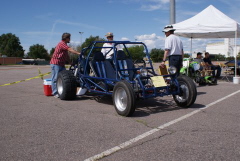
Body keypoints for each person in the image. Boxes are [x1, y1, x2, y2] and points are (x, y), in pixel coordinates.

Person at [50, 33, 80, 98]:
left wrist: (70, 62)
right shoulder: (62, 43)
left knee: (65, 78)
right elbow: (70, 49)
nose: (70, 39)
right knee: (55, 78)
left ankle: (64, 91)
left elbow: (66, 55)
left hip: (61, 64)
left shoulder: (64, 44)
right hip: (56, 63)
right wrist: (78, 53)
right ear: (66, 38)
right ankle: (55, 93)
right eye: (69, 38)